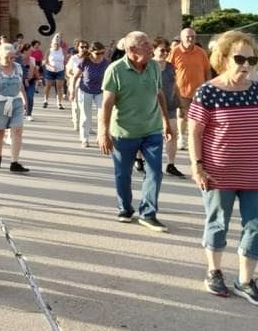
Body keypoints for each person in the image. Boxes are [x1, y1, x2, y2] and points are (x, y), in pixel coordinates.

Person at [188, 30, 258, 303]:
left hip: (254, 174)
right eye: (239, 58)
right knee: (218, 223)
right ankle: (214, 272)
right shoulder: (208, 91)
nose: (246, 65)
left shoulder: (256, 91)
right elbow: (195, 132)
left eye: (251, 60)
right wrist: (197, 166)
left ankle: (245, 280)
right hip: (218, 173)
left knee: (255, 226)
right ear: (224, 58)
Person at [98, 31, 171, 232]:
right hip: (124, 132)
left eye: (150, 44)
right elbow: (107, 104)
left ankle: (148, 214)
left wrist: (166, 121)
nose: (151, 47)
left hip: (152, 130)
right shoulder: (115, 70)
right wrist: (103, 132)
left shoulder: (154, 66)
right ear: (131, 50)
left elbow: (159, 94)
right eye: (145, 44)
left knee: (155, 171)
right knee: (123, 174)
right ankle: (125, 208)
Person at [0, 43, 29, 173]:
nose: (11, 60)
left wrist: (25, 100)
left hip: (16, 102)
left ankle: (14, 162)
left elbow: (20, 84)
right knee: (0, 132)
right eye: (7, 57)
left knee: (17, 130)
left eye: (12, 57)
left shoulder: (18, 67)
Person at [169, 27, 212, 151]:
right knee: (183, 116)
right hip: (181, 90)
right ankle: (182, 138)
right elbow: (168, 68)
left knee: (199, 116)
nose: (190, 39)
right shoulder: (175, 51)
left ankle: (196, 139)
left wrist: (208, 85)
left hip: (199, 91)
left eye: (193, 37)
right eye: (187, 36)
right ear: (182, 38)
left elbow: (207, 70)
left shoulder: (201, 52)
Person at [152, 37, 184, 178]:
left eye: (167, 50)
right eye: (162, 50)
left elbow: (176, 85)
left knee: (172, 134)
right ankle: (141, 159)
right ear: (153, 50)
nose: (165, 53)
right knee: (150, 136)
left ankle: (171, 164)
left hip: (170, 106)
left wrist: (180, 103)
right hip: (151, 107)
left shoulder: (171, 67)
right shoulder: (148, 65)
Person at [70, 42, 109, 148]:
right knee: (86, 116)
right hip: (85, 90)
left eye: (103, 53)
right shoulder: (85, 61)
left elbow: (110, 78)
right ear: (91, 52)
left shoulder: (106, 62)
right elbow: (75, 77)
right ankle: (84, 138)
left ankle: (100, 138)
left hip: (100, 91)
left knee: (102, 116)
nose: (101, 55)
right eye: (98, 53)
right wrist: (72, 91)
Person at [65, 40, 89, 130]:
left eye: (86, 47)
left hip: (87, 83)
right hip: (75, 82)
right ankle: (76, 122)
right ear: (77, 48)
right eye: (82, 47)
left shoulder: (89, 58)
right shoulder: (74, 58)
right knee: (75, 104)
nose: (84, 49)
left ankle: (86, 125)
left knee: (86, 104)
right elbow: (68, 71)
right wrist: (75, 75)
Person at [42, 36, 66, 109]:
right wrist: (49, 65)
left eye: (57, 44)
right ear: (51, 44)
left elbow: (66, 60)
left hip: (60, 70)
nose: (56, 45)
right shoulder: (49, 51)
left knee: (59, 87)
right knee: (48, 86)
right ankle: (45, 100)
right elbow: (44, 61)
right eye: (55, 44)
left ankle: (59, 103)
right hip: (50, 70)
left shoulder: (62, 50)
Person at [19, 43, 39, 122]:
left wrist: (37, 77)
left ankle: (29, 114)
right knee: (21, 98)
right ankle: (21, 111)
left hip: (31, 81)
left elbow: (34, 69)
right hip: (20, 82)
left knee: (30, 97)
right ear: (24, 51)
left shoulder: (32, 59)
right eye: (30, 50)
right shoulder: (18, 59)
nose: (31, 51)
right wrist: (24, 79)